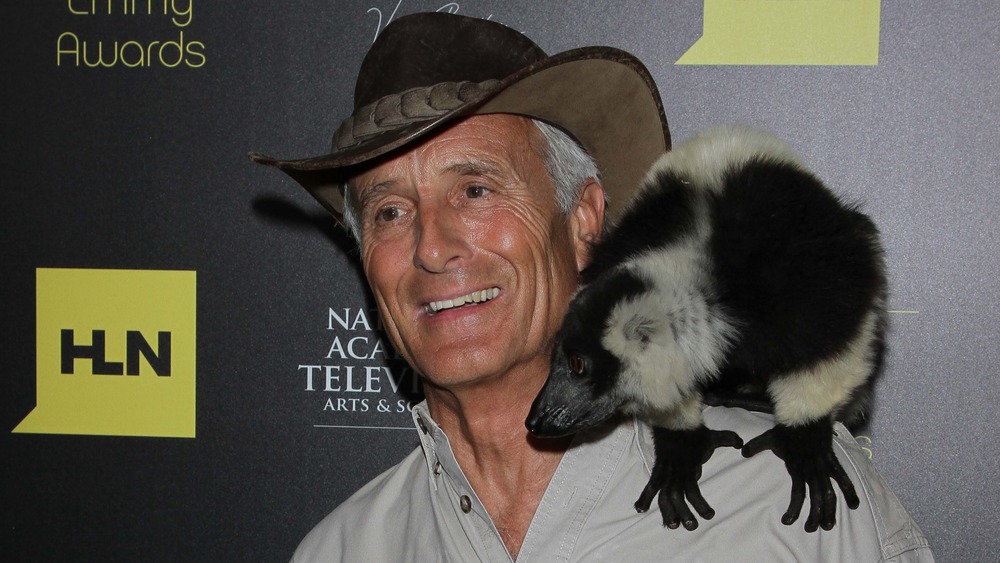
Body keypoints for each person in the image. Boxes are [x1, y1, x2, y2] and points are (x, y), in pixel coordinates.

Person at [252, 12, 933, 562]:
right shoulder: (338, 551)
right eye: (389, 211)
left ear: (583, 223)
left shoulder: (795, 507)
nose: (431, 245)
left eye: (476, 188)